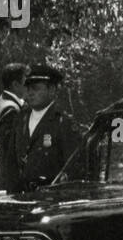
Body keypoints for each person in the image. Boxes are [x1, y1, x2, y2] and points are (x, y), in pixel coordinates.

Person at [12, 65, 79, 194]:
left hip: (52, 199)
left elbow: (73, 169)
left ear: (52, 90)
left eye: (36, 88)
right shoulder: (20, 120)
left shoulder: (63, 123)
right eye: (28, 88)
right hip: (22, 197)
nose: (30, 93)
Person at [0, 63, 27, 191]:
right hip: (12, 180)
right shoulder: (11, 109)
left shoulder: (1, 101)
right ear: (15, 84)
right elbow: (12, 150)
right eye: (25, 81)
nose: (29, 86)